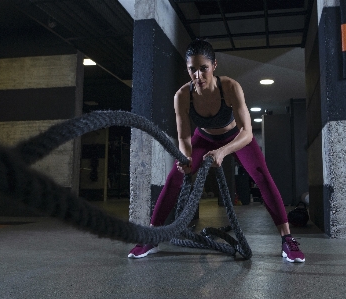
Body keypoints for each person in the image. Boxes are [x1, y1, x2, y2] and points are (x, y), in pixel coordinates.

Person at [128, 39, 305, 263]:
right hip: (203, 137)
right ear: (188, 69)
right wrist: (186, 157)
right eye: (192, 69)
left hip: (236, 137)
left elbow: (247, 132)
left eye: (204, 68)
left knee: (262, 176)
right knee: (175, 177)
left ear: (214, 66)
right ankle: (151, 237)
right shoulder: (182, 96)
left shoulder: (230, 87)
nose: (198, 75)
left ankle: (287, 239)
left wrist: (222, 152)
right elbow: (183, 136)